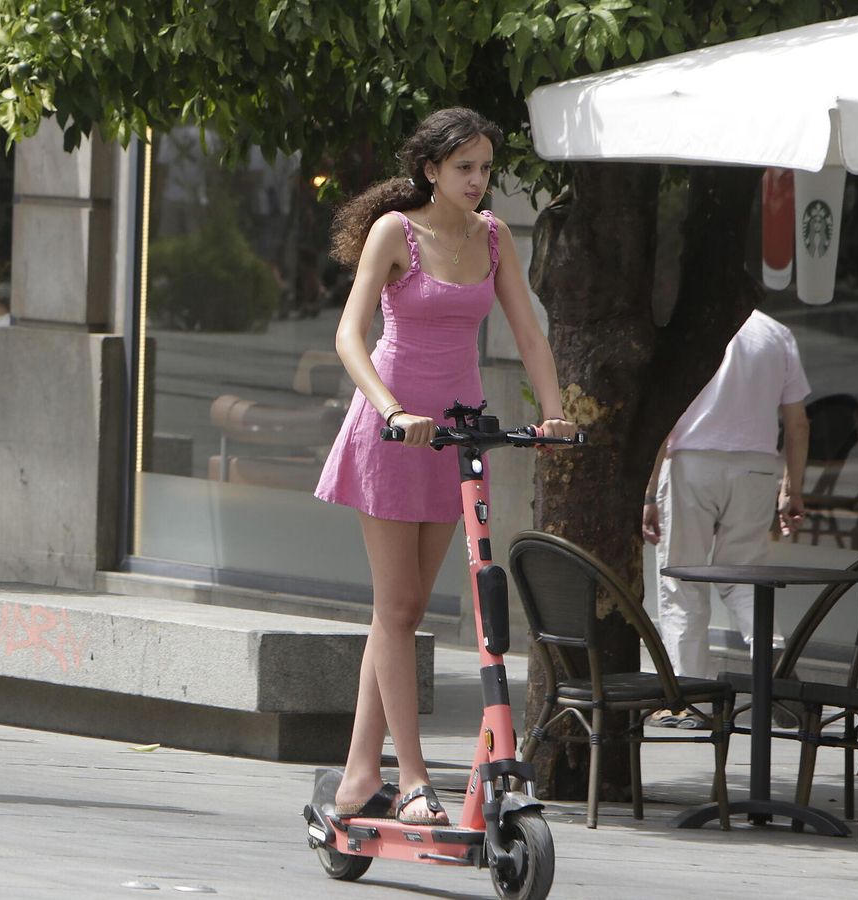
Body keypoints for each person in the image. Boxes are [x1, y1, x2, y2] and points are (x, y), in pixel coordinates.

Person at [314, 107, 576, 825]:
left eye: (486, 168)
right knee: (397, 610)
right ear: (430, 170)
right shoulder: (395, 233)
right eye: (464, 167)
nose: (477, 180)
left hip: (460, 439)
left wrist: (554, 412)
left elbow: (528, 329)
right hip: (396, 434)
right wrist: (392, 411)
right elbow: (349, 335)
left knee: (402, 612)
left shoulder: (493, 238)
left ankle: (358, 776)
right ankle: (416, 777)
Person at [641, 309, 810, 725]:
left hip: (691, 464)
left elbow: (663, 417)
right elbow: (797, 423)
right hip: (755, 467)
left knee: (682, 582)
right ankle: (772, 664)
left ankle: (687, 698)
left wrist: (647, 491)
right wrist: (793, 487)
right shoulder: (776, 333)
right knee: (746, 577)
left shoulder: (690, 326)